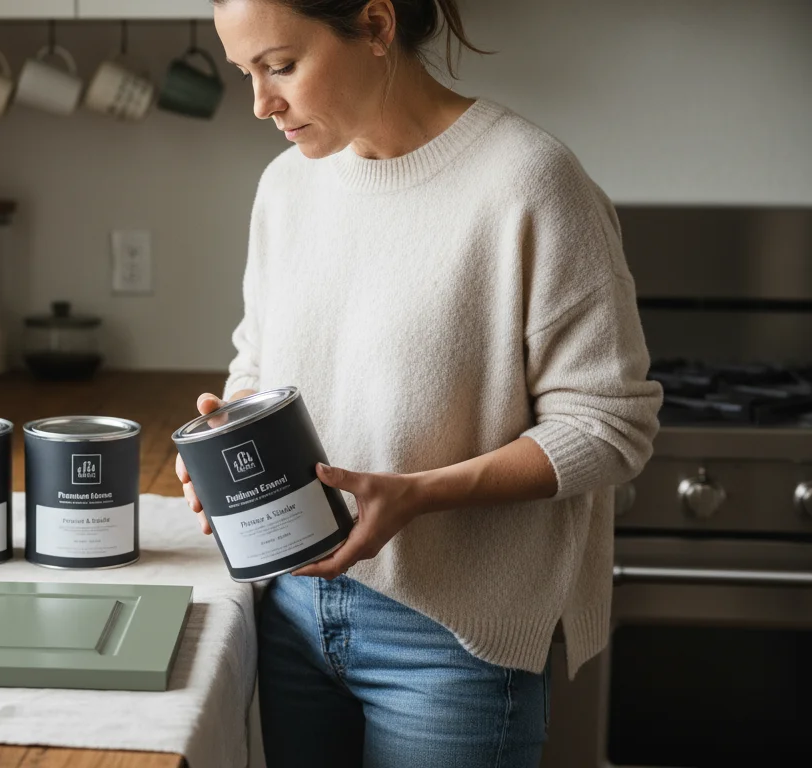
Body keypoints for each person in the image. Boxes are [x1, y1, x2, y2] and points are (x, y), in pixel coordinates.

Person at [173, 1, 664, 766]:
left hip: (449, 640)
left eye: (280, 66)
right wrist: (222, 434)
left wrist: (421, 492)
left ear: (374, 26)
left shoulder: (529, 181)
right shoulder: (284, 188)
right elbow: (259, 364)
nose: (262, 105)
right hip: (288, 615)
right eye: (247, 74)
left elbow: (610, 427)